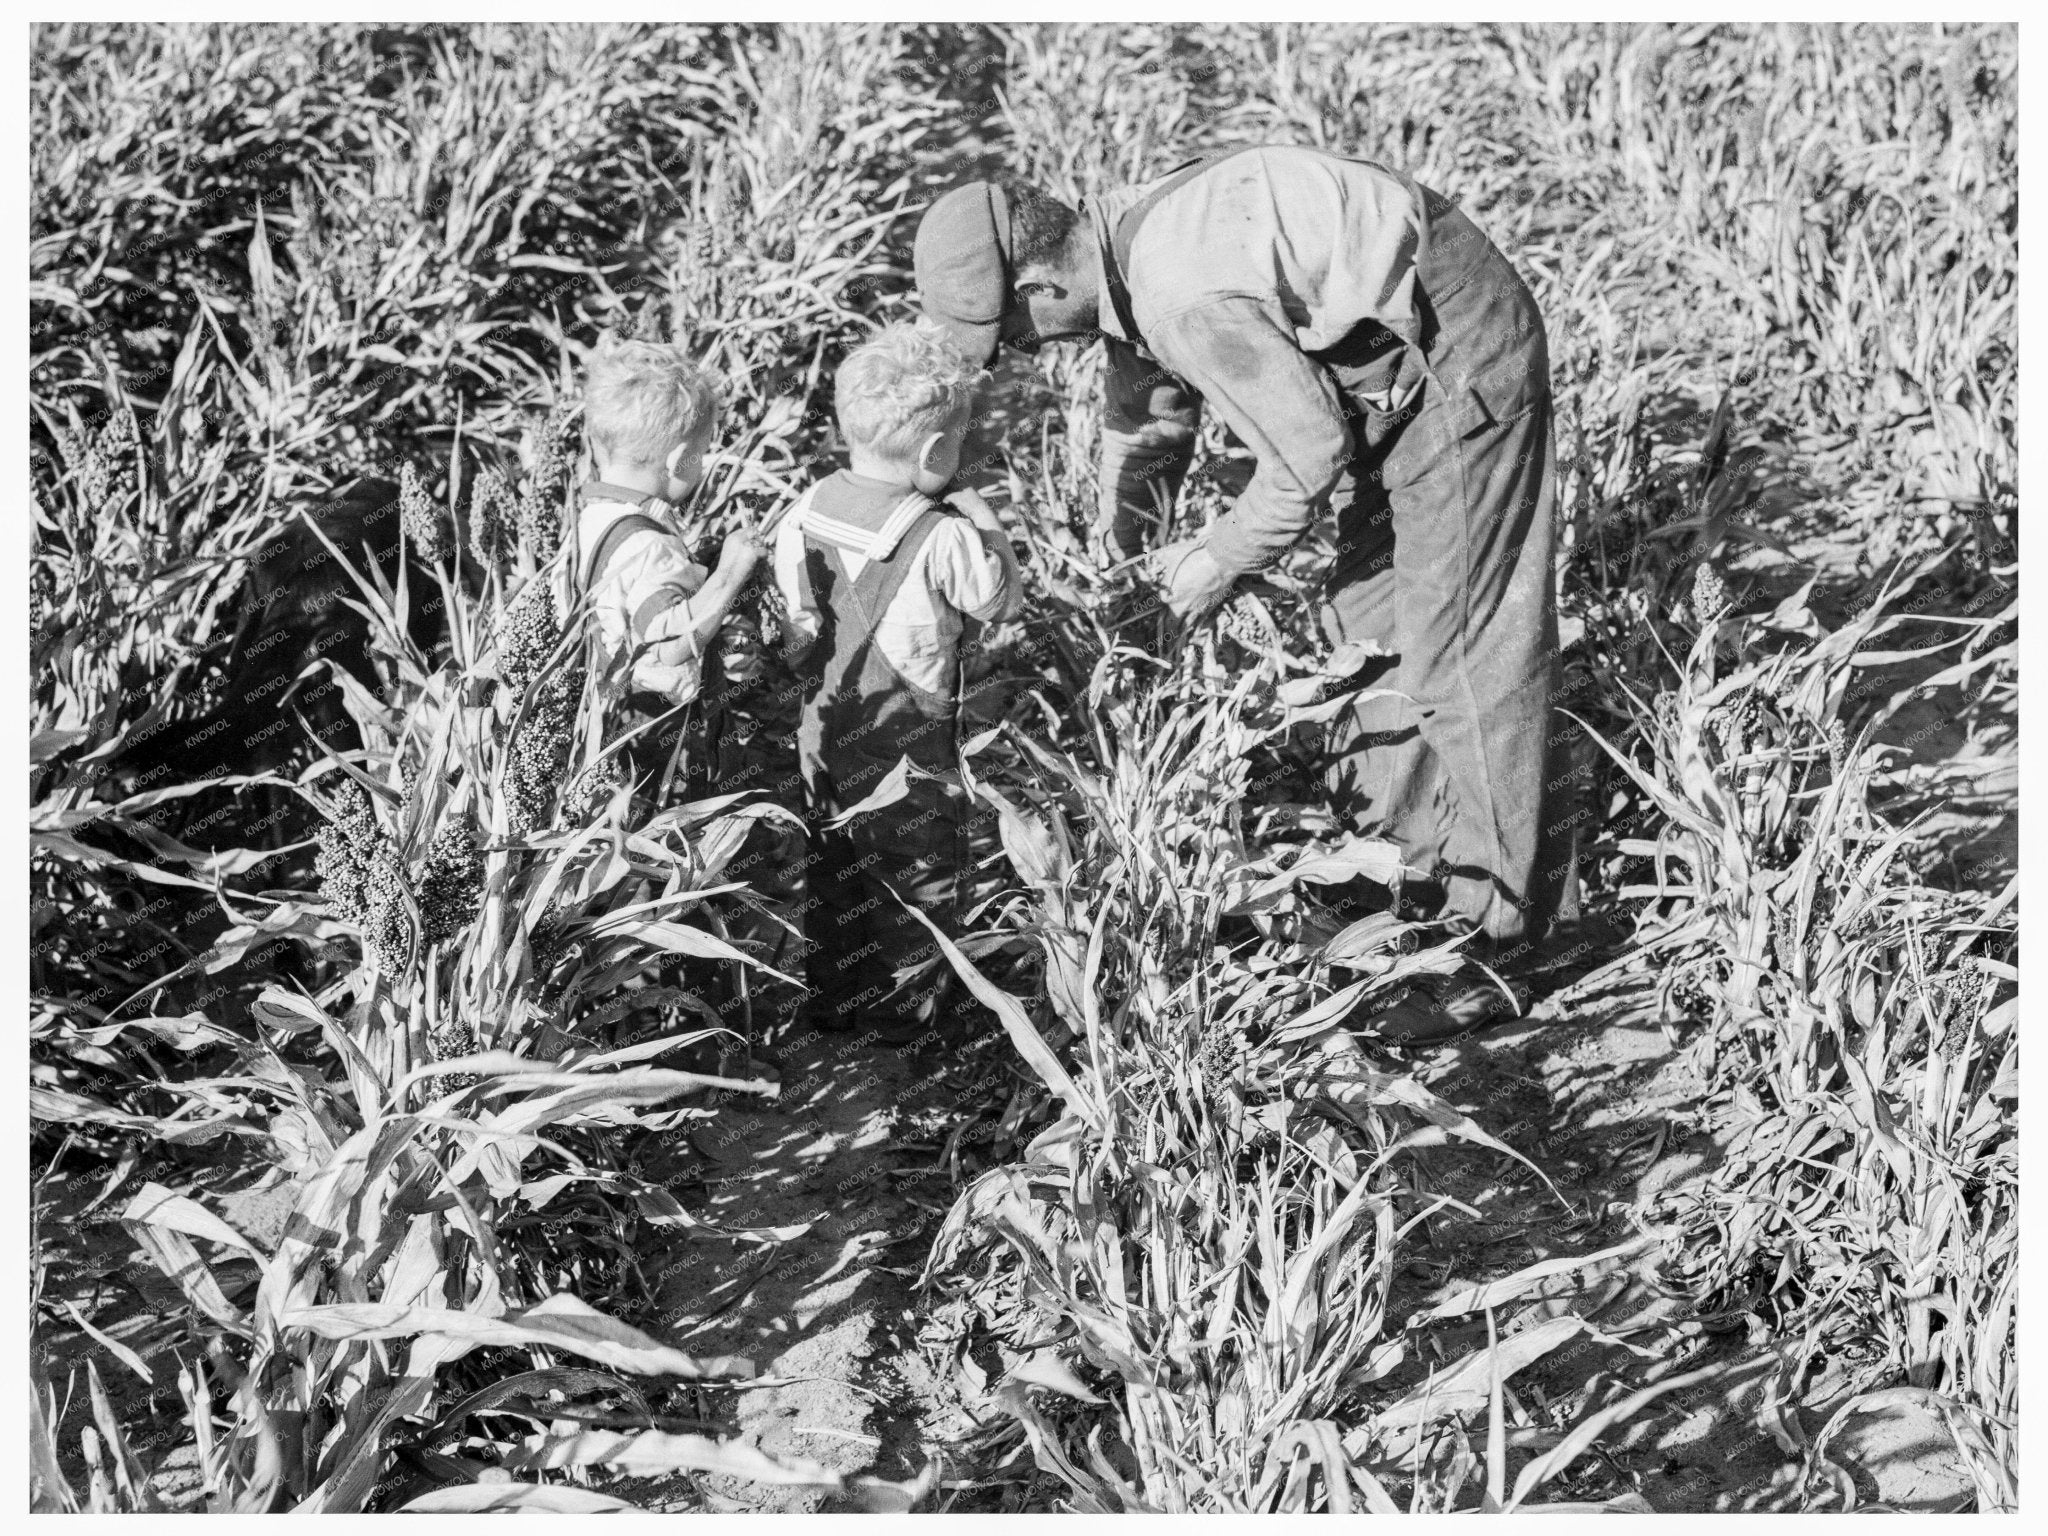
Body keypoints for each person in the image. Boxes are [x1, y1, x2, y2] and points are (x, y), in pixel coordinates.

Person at [912, 145, 1586, 1040]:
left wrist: (1217, 560)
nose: (1025, 356)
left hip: (1451, 347)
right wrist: (1126, 580)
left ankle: (1506, 936)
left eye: (1013, 339)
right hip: (1374, 363)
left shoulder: (1179, 292)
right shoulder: (1112, 247)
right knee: (1373, 625)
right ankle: (1418, 877)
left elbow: (1308, 456)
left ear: (1038, 289)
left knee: (1461, 650)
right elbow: (1150, 427)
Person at [768, 321, 1024, 1044]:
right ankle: (912, 1012)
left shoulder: (804, 509)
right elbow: (1001, 602)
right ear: (937, 452)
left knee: (833, 861)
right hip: (909, 740)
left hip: (823, 730)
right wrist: (988, 522)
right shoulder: (941, 535)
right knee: (919, 869)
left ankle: (833, 997)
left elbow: (795, 622)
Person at [575, 336, 767, 799]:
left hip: (602, 709)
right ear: (680, 461)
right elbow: (670, 643)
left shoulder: (593, 515)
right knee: (669, 820)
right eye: (699, 456)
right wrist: (729, 573)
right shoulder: (647, 546)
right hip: (655, 723)